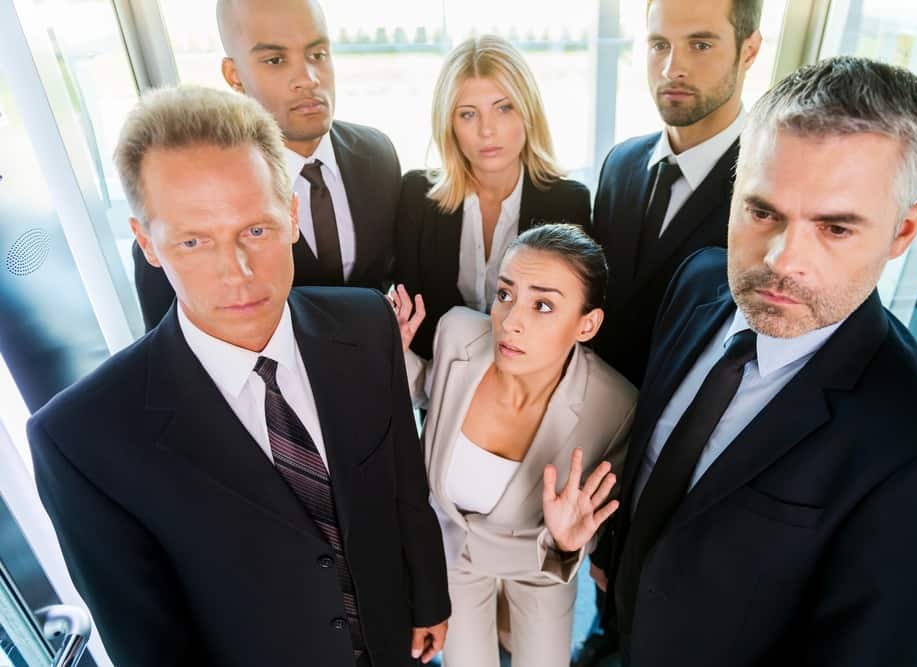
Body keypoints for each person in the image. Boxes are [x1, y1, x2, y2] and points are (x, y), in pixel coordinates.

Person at [590, 57, 917, 666]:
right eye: (762, 212)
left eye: (835, 228)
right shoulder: (700, 281)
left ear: (903, 231)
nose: (782, 260)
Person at [29, 86, 450, 667]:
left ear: (292, 214)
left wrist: (428, 597)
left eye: (255, 229)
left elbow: (404, 482)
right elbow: (148, 643)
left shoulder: (367, 321)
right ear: (148, 243)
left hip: (391, 639)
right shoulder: (80, 440)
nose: (238, 272)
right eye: (195, 241)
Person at [391, 224, 635, 666]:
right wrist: (395, 354)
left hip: (537, 563)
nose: (510, 322)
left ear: (587, 324)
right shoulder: (458, 333)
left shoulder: (615, 407)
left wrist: (568, 542)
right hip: (454, 555)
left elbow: (597, 520)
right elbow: (430, 388)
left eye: (542, 305)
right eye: (505, 295)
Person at [132, 0, 402, 331]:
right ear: (234, 75)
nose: (307, 79)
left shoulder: (378, 154)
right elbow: (171, 353)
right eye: (275, 60)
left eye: (317, 55)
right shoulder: (179, 220)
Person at [590, 0, 762, 388]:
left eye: (700, 45)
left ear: (748, 51)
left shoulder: (770, 195)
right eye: (659, 45)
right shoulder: (619, 162)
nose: (672, 69)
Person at [394, 35, 591, 359]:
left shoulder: (568, 204)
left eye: (504, 108)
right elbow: (412, 324)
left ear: (528, 111)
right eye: (468, 114)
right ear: (450, 124)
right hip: (435, 388)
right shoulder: (417, 197)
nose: (487, 130)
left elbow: (565, 327)